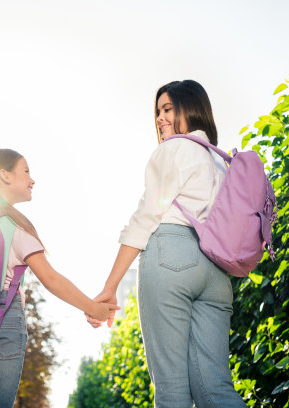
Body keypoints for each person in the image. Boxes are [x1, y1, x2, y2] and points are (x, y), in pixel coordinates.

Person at [89, 80, 247, 408]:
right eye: (158, 111)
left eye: (168, 109)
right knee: (215, 387)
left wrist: (110, 285)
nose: (160, 118)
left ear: (191, 108)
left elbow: (146, 216)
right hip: (216, 272)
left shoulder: (174, 149)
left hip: (171, 255)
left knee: (172, 389)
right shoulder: (221, 162)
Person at [0, 148, 118, 408]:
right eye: (26, 171)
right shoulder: (15, 227)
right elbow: (51, 279)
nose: (32, 180)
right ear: (5, 175)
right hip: (5, 320)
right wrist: (95, 309)